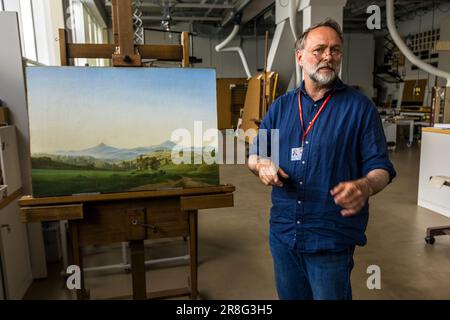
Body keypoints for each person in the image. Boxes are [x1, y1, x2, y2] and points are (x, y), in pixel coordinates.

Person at [248, 18, 396, 300]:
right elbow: (256, 154)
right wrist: (262, 165)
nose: (328, 56)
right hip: (283, 234)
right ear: (300, 56)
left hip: (329, 238)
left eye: (335, 50)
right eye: (320, 50)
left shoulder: (360, 108)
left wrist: (364, 186)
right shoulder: (281, 107)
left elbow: (381, 167)